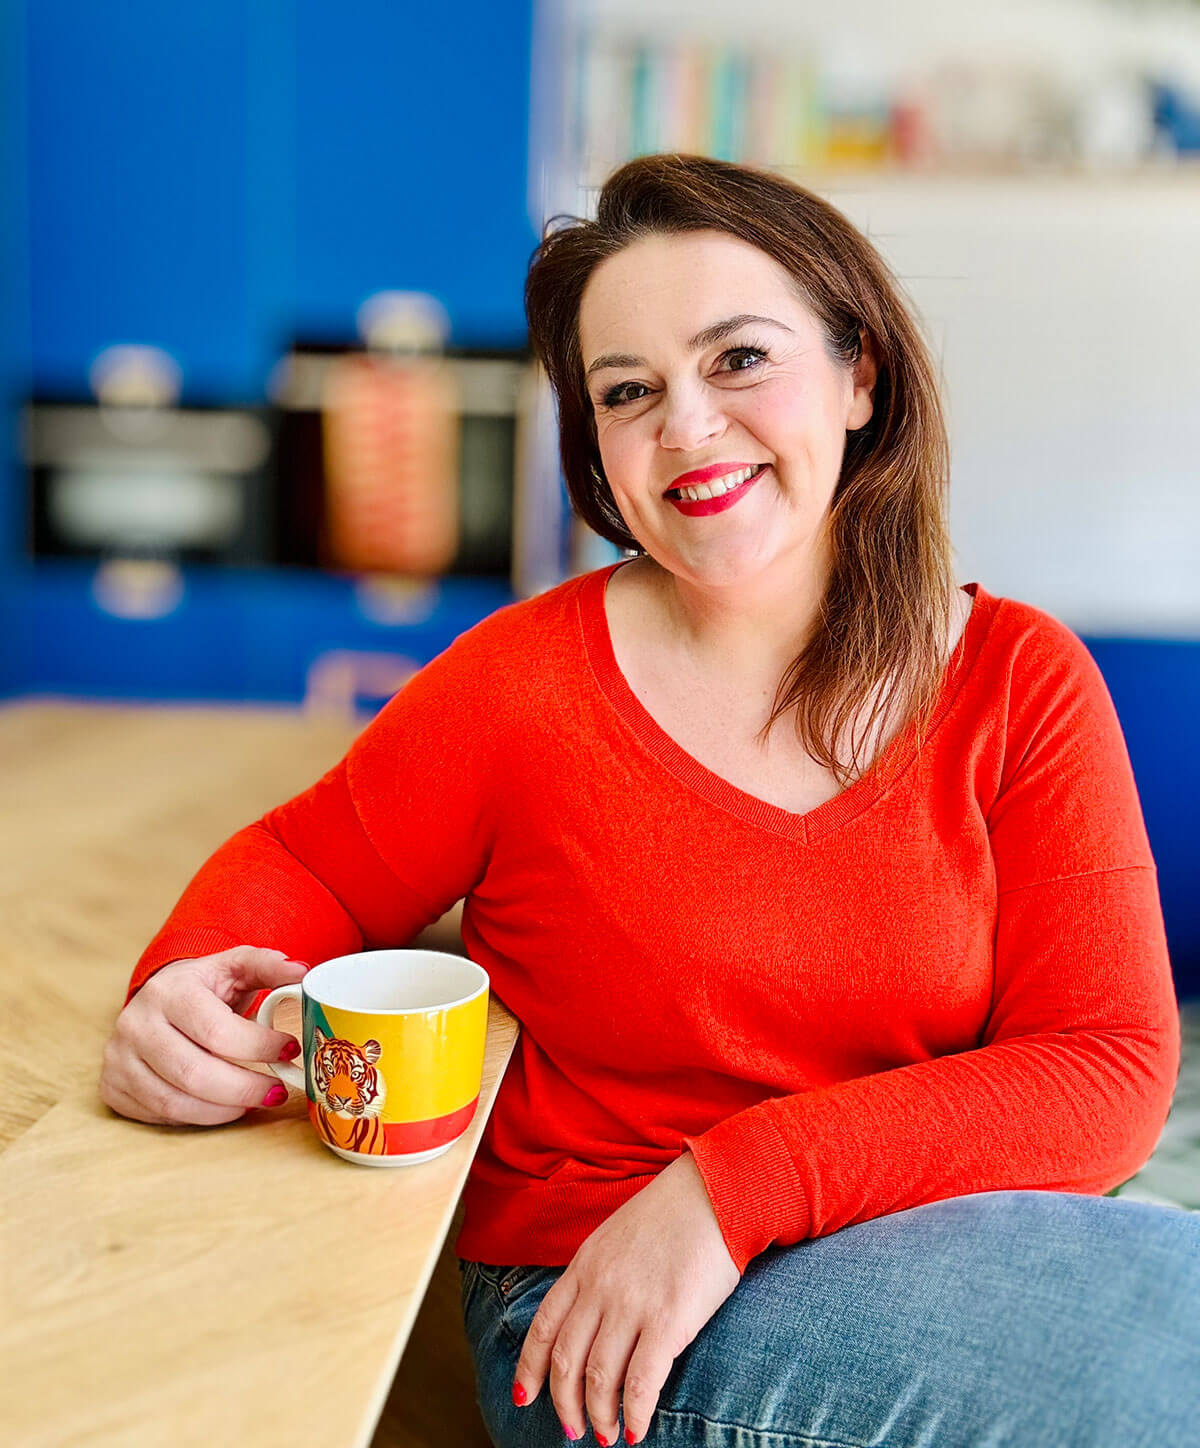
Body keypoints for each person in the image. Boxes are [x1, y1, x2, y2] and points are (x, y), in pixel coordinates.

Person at [101, 154, 1199, 1448]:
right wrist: (178, 991)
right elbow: (313, 862)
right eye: (628, 392)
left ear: (861, 375)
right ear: (599, 454)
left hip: (883, 1239)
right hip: (600, 1315)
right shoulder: (520, 686)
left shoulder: (1021, 681)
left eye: (739, 360)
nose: (686, 425)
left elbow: (1107, 1068)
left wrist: (730, 1191)